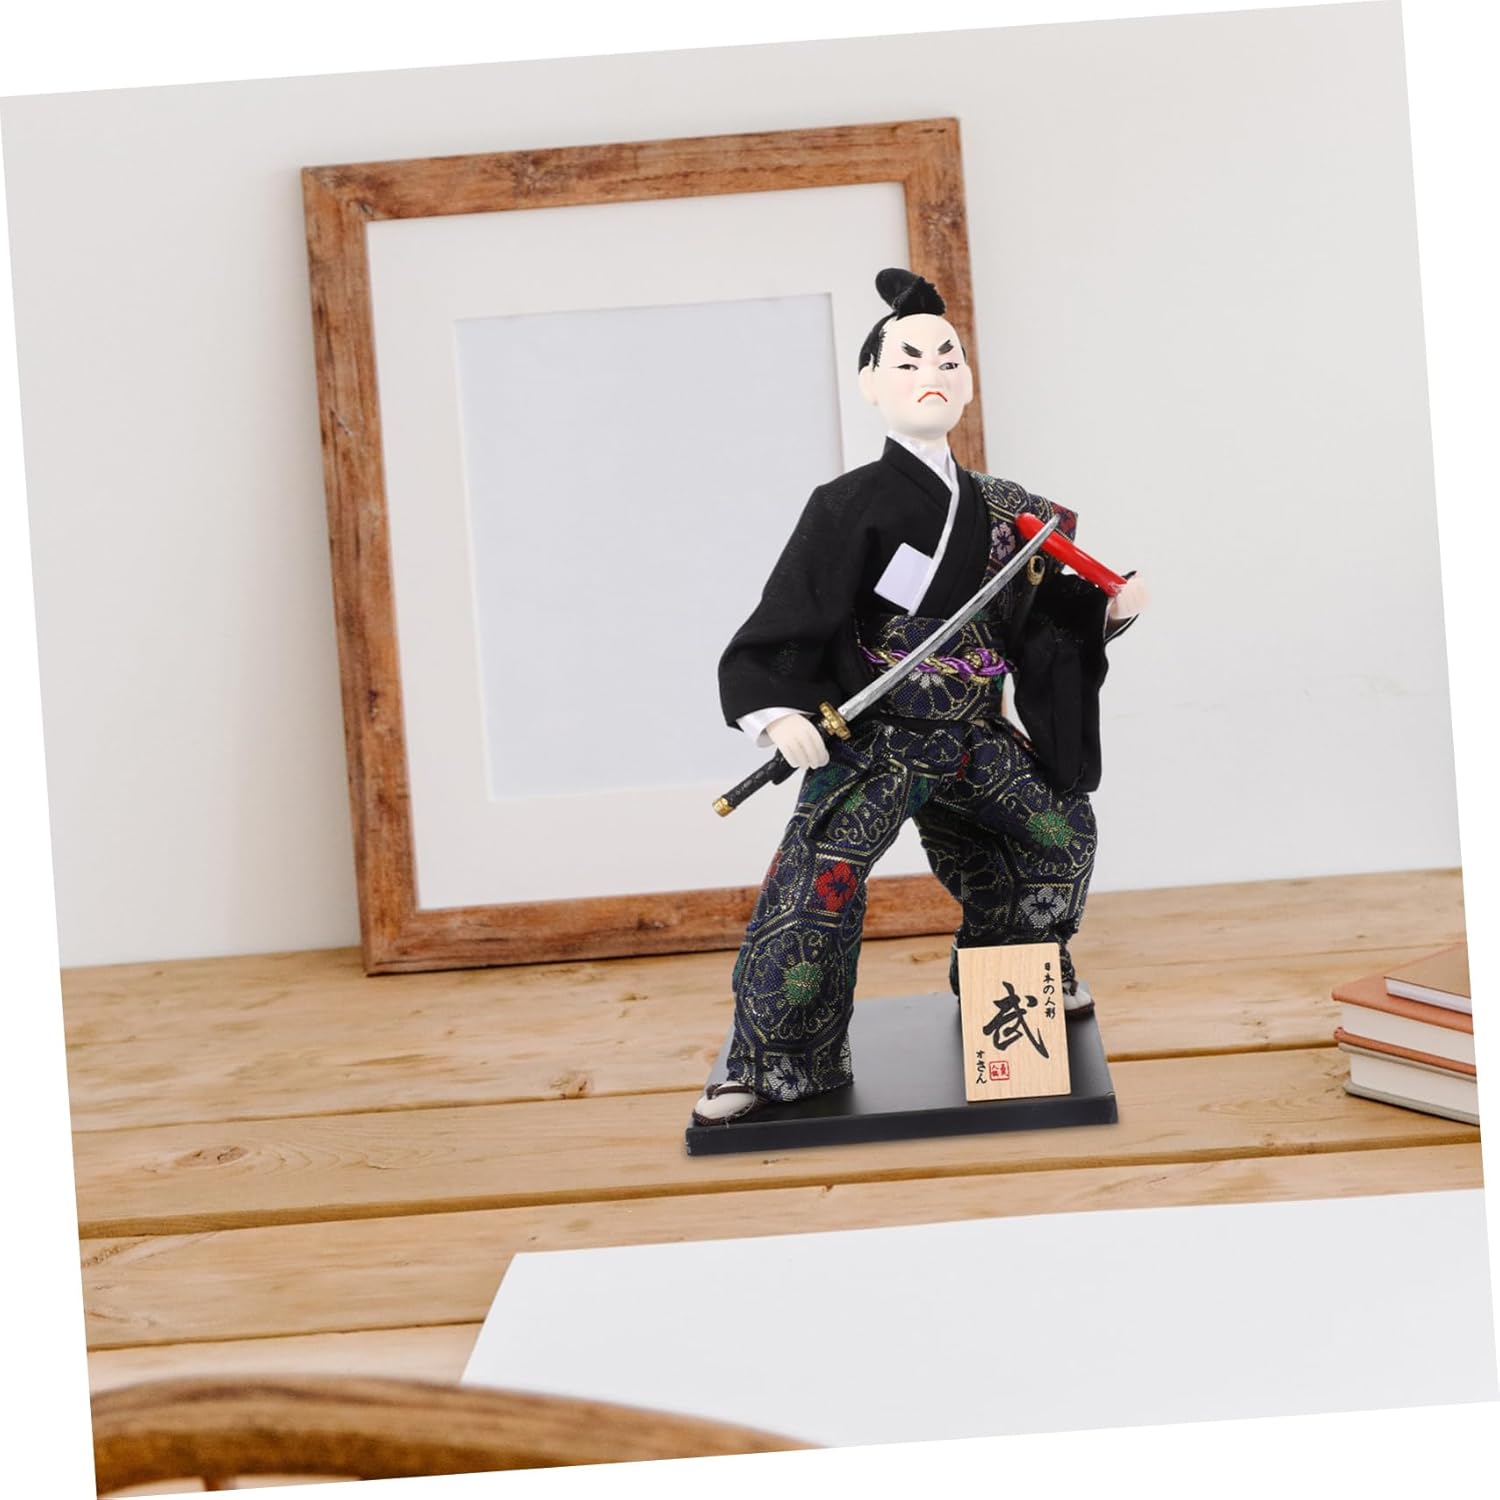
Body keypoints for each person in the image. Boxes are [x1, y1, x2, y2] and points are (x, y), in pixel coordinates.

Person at [694, 269, 1147, 1125]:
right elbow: (789, 615)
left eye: (946, 358)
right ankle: (777, 1062)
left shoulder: (1012, 511)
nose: (930, 373)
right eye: (906, 362)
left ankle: (1016, 973)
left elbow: (1038, 619)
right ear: (871, 383)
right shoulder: (846, 505)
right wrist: (779, 712)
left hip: (972, 732)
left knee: (1058, 835)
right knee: (817, 885)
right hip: (877, 737)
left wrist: (1103, 612)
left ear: (967, 381)